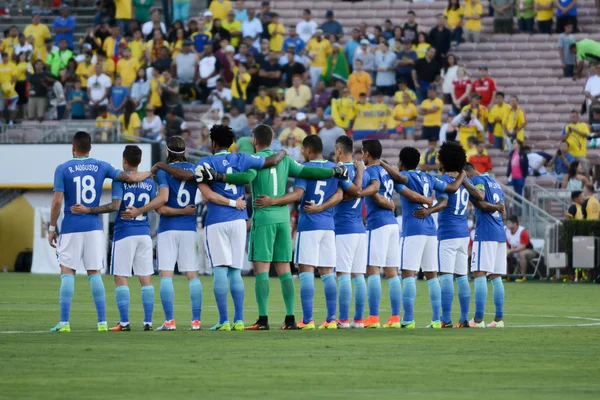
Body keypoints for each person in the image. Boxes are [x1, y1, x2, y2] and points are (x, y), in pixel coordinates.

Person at [219, 125, 352, 330]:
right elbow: (307, 171)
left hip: (264, 216)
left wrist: (221, 177)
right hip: (283, 218)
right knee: (284, 270)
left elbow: (246, 178)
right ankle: (290, 318)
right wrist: (334, 170)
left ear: (254, 141)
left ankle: (263, 319)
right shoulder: (287, 160)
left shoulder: (257, 160)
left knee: (262, 269)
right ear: (272, 139)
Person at [154, 126, 287, 331]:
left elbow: (188, 178)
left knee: (219, 271)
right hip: (238, 220)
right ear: (231, 143)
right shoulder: (242, 158)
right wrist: (282, 152)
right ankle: (240, 320)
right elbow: (271, 161)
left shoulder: (206, 162)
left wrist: (162, 165)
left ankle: (224, 320)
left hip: (217, 219)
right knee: (235, 272)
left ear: (213, 144)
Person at [48, 131, 152, 333]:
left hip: (71, 226)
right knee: (94, 273)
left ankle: (64, 323)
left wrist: (52, 228)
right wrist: (151, 172)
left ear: (73, 147)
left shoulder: (62, 169)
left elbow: (57, 202)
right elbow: (130, 178)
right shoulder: (101, 165)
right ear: (90, 148)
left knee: (68, 272)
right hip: (94, 227)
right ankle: (102, 322)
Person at [70, 145, 165, 331]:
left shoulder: (119, 180)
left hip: (125, 234)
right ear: (139, 161)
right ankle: (147, 322)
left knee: (121, 278)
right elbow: (156, 205)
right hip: (144, 233)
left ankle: (124, 322)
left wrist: (89, 210)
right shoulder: (149, 182)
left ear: (124, 160)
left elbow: (115, 206)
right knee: (146, 279)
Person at [379, 146, 466, 328]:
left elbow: (401, 181)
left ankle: (409, 318)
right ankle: (436, 320)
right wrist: (462, 175)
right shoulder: (428, 177)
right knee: (432, 276)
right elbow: (451, 188)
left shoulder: (406, 177)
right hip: (431, 231)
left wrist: (381, 163)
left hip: (413, 228)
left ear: (401, 163)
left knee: (409, 274)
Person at [413, 142, 486, 328]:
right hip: (463, 233)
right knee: (461, 276)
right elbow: (479, 195)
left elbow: (444, 202)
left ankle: (445, 319)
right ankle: (463, 319)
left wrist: (430, 211)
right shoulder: (463, 181)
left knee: (446, 276)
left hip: (448, 234)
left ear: (443, 160)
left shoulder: (443, 180)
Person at [464, 162, 507, 328]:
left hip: (486, 233)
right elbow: (504, 210)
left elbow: (481, 200)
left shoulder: (475, 181)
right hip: (499, 233)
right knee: (496, 277)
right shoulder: (496, 183)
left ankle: (478, 320)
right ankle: (498, 320)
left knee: (479, 274)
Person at [505, 215, 536, 283]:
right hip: (513, 251)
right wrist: (507, 251)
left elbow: (523, 246)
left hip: (528, 251)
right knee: (505, 254)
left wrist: (510, 251)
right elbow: (506, 244)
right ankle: (506, 275)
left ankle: (523, 276)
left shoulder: (523, 231)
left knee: (521, 253)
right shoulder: (506, 231)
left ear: (515, 224)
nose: (507, 225)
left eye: (509, 223)